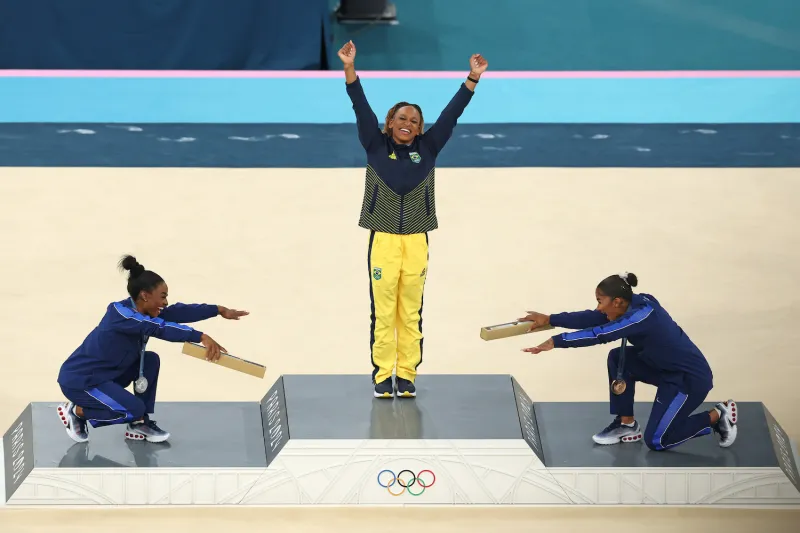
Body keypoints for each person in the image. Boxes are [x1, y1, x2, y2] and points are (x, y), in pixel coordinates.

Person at [337, 40, 488, 399]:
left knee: (411, 311)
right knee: (384, 309)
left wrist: (472, 78)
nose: (407, 123)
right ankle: (381, 374)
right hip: (384, 241)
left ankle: (406, 375)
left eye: (414, 121)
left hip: (417, 240)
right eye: (401, 118)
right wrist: (349, 69)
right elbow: (360, 106)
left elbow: (452, 114)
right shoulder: (374, 144)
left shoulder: (429, 148)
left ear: (420, 130)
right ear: (389, 123)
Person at [519, 272, 738, 451]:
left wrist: (556, 341)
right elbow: (592, 318)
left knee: (657, 441)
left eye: (600, 301)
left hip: (688, 380)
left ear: (617, 301)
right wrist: (550, 319)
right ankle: (627, 424)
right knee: (618, 358)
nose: (598, 308)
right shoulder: (626, 306)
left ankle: (718, 415)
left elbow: (600, 334)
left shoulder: (642, 314)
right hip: (661, 368)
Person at [56, 255, 248, 444]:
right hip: (81, 380)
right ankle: (77, 411)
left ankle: (139, 424)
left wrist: (218, 310)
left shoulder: (146, 310)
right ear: (144, 296)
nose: (165, 302)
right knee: (133, 409)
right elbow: (158, 327)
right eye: (163, 297)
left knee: (150, 360)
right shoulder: (120, 313)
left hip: (107, 375)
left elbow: (178, 311)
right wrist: (201, 337)